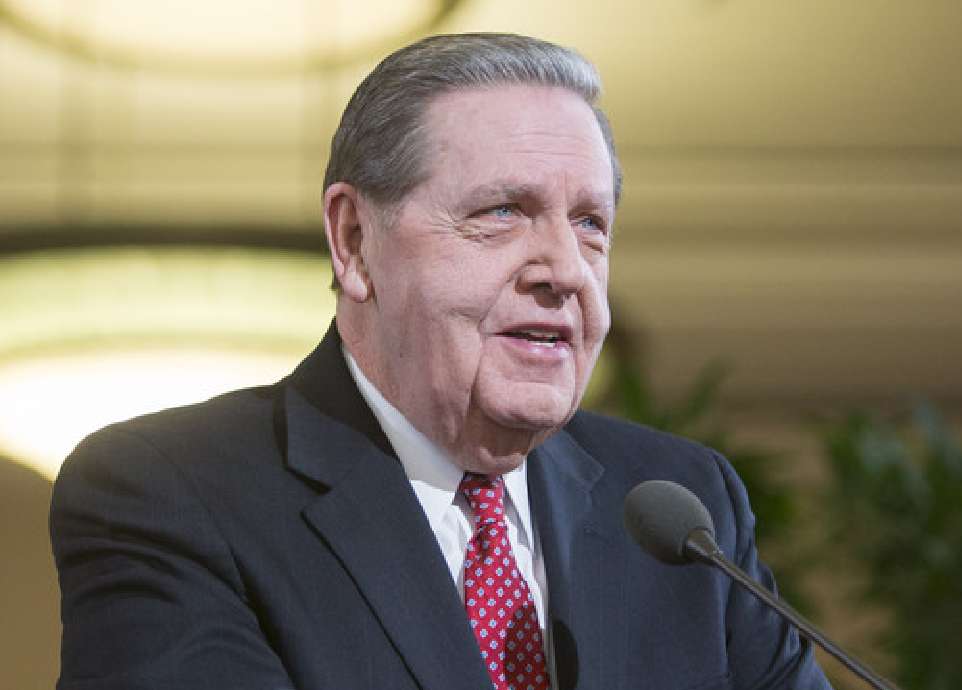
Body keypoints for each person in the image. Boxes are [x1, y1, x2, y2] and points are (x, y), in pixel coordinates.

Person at [51, 33, 829, 690]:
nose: (564, 269)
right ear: (355, 241)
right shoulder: (172, 493)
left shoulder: (684, 511)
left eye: (591, 223)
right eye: (502, 212)